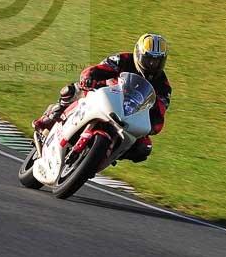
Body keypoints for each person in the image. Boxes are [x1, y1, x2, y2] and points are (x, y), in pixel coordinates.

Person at [32, 33, 172, 163]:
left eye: (157, 61)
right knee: (71, 90)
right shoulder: (122, 59)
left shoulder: (163, 86)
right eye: (148, 59)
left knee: (144, 148)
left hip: (130, 115)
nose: (152, 65)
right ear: (138, 54)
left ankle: (107, 154)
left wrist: (153, 127)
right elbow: (98, 69)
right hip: (104, 95)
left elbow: (159, 113)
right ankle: (47, 120)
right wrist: (89, 78)